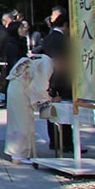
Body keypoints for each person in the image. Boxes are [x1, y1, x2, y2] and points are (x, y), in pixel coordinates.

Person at [5, 55, 53, 163]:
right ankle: (18, 155)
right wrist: (48, 98)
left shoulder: (37, 61)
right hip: (21, 92)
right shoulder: (47, 63)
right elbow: (41, 87)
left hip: (16, 89)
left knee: (18, 122)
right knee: (23, 123)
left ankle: (20, 153)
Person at [42, 9, 75, 151]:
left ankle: (54, 140)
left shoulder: (47, 38)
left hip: (49, 77)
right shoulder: (64, 40)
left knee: (52, 111)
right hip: (63, 78)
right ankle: (66, 142)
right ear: (66, 25)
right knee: (66, 111)